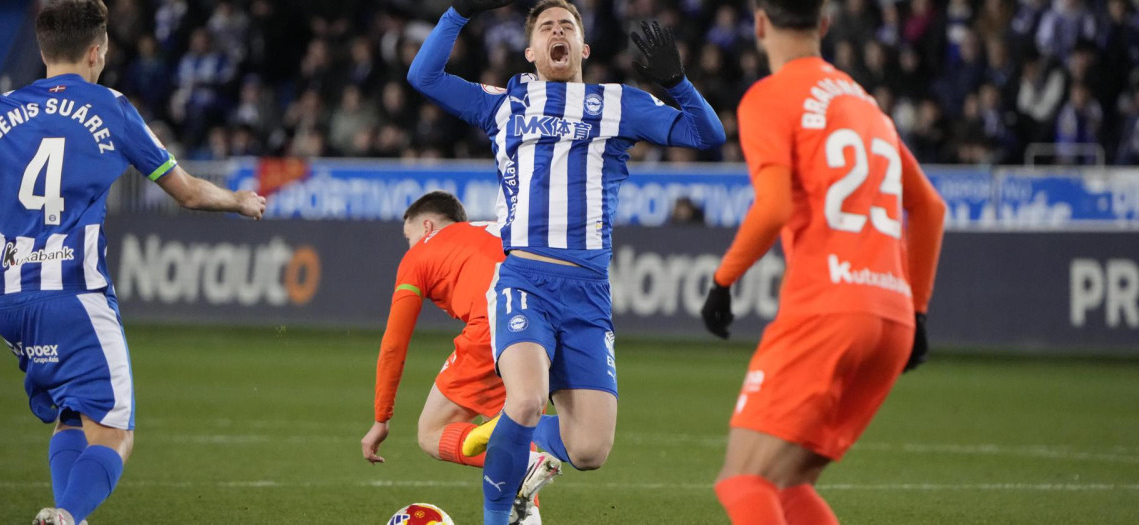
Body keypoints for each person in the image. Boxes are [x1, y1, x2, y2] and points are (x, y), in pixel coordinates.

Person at [0, 1, 266, 524]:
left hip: (8, 302)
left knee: (72, 418)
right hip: (73, 296)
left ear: (45, 52)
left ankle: (71, 517)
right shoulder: (112, 108)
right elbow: (186, 193)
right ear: (98, 50)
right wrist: (239, 200)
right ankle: (67, 516)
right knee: (115, 433)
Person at [407, 1, 725, 523]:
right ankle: (499, 513)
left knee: (589, 451)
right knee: (528, 398)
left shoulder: (620, 103)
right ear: (531, 51)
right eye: (546, 27)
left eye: (568, 26)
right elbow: (424, 75)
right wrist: (459, 13)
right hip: (524, 280)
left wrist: (678, 83)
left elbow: (706, 135)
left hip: (588, 293)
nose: (559, 31)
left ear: (584, 47)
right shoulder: (506, 102)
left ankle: (506, 432)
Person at [698, 1, 946, 523]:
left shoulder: (769, 97)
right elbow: (929, 207)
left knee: (744, 480)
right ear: (825, 26)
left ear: (761, 24)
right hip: (891, 318)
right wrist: (916, 309)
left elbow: (774, 208)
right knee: (786, 484)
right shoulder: (863, 103)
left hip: (828, 309)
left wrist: (723, 282)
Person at [359, 191, 558, 524]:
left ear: (426, 225)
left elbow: (394, 343)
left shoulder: (421, 252)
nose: (409, 247)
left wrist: (382, 417)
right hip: (541, 324)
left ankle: (522, 462)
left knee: (431, 432)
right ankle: (526, 485)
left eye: (408, 237)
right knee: (513, 428)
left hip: (497, 323)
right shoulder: (490, 231)